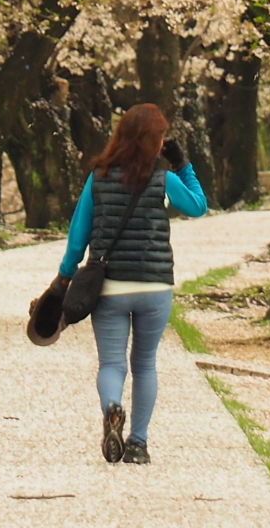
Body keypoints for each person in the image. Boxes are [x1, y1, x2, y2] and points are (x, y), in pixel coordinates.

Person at [56, 103, 207, 464]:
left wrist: (64, 276)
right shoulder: (164, 179)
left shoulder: (98, 177)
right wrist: (182, 165)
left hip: (109, 287)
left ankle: (112, 407)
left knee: (111, 364)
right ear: (156, 142)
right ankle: (138, 444)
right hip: (154, 288)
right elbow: (199, 206)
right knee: (145, 364)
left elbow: (78, 236)